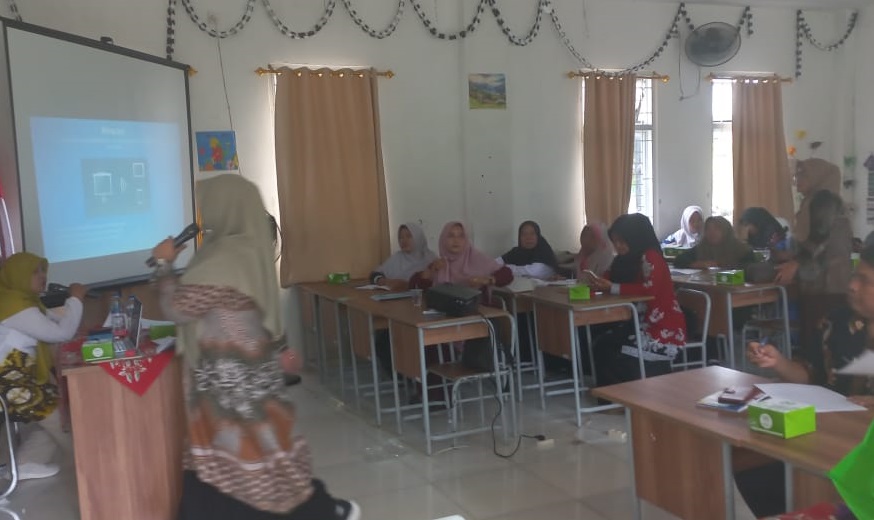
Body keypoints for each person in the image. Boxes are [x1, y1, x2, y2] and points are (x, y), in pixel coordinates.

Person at [151, 174, 359, 520]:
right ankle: (324, 510)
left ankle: (323, 511)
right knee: (258, 458)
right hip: (247, 377)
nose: (204, 212)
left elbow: (178, 308)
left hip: (228, 386)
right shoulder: (247, 249)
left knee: (241, 462)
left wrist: (164, 264)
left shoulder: (224, 258)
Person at [743, 243, 874, 519]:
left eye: (865, 281)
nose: (852, 286)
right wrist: (778, 362)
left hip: (864, 456)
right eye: (854, 275)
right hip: (824, 435)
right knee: (751, 466)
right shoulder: (836, 322)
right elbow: (809, 373)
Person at [0, 252, 85, 479]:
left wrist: (72, 306)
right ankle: (91, 461)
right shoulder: (15, 306)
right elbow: (61, 333)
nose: (42, 276)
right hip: (9, 383)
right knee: (61, 419)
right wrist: (76, 299)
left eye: (43, 270)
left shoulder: (25, 301)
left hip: (19, 378)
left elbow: (56, 322)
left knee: (60, 413)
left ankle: (25, 464)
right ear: (18, 275)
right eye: (35, 271)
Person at [585, 214, 687, 385]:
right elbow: (610, 278)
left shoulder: (651, 256)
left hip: (660, 326)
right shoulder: (622, 260)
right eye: (615, 241)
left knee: (607, 347)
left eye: (622, 241)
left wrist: (612, 287)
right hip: (634, 319)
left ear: (635, 237)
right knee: (598, 340)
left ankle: (620, 394)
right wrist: (599, 283)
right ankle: (609, 394)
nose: (618, 246)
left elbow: (649, 289)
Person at [776, 190, 853, 366]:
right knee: (811, 350)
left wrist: (797, 266)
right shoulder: (818, 229)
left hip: (830, 294)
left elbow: (831, 259)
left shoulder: (839, 225)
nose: (799, 214)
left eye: (804, 210)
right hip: (813, 293)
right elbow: (810, 250)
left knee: (824, 350)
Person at [411, 221, 513, 295]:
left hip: (478, 312)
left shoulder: (477, 258)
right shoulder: (440, 264)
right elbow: (413, 286)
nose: (456, 240)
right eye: (451, 236)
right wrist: (429, 272)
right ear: (443, 240)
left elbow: (507, 274)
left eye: (461, 236)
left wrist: (486, 280)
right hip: (445, 313)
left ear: (466, 240)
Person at [369, 222, 436, 291]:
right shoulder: (397, 257)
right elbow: (374, 274)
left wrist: (405, 285)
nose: (404, 241)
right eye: (401, 238)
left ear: (418, 237)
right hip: (392, 295)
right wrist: (384, 281)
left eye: (409, 236)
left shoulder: (431, 259)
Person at [674, 216, 756, 270]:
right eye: (708, 229)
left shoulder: (742, 250)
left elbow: (749, 269)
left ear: (726, 231)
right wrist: (699, 264)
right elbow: (679, 260)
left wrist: (722, 265)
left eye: (717, 229)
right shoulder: (702, 247)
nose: (712, 232)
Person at [794, 158, 841, 244]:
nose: (798, 179)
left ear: (818, 177)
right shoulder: (807, 202)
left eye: (804, 174)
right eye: (797, 174)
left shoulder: (826, 205)